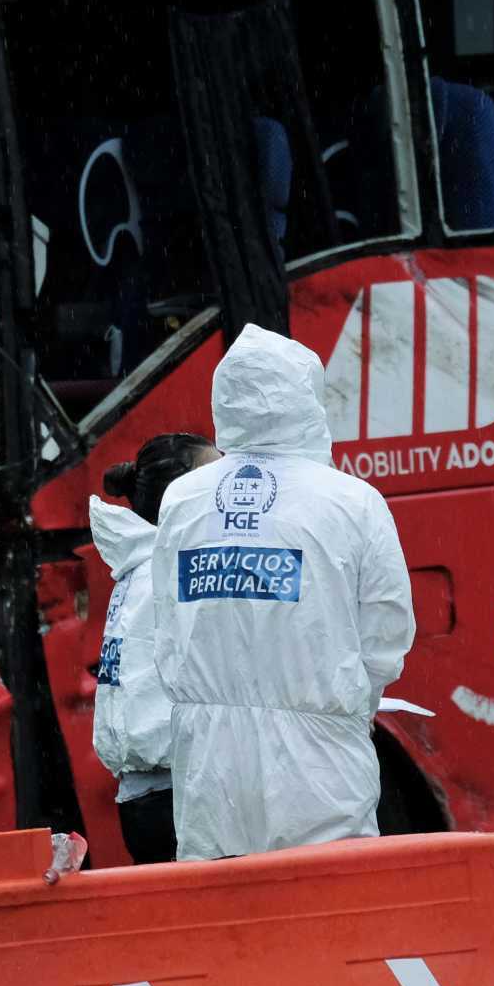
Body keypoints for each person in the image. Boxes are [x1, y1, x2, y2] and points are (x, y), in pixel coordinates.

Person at [155, 323, 415, 862]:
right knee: (327, 910)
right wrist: (350, 699)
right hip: (319, 758)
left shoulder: (182, 498)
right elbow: (387, 626)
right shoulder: (352, 500)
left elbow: (165, 622)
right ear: (306, 400)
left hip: (208, 760)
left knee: (225, 913)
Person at [91, 432, 222, 865]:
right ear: (180, 495)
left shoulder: (140, 567)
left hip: (150, 801)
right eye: (215, 475)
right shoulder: (172, 572)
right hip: (180, 801)